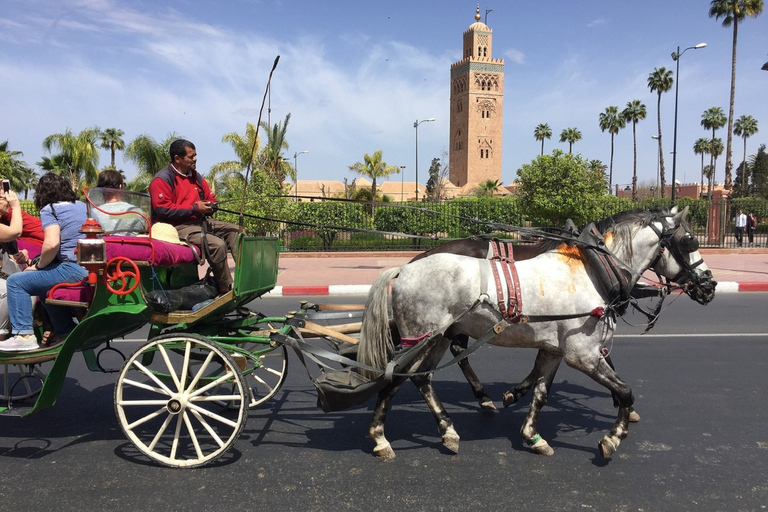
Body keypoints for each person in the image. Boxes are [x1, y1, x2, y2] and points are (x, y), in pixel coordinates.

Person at [0, 174, 88, 352]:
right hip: (90, 268)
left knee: (16, 282)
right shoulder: (83, 206)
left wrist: (38, 266)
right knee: (44, 288)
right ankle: (65, 332)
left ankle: (24, 335)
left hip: (72, 268)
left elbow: (52, 243)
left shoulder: (51, 209)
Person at [149, 139, 239, 296]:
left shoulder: (196, 177)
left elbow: (211, 198)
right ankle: (225, 288)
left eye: (195, 155)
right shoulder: (162, 180)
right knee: (217, 245)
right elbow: (163, 210)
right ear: (178, 159)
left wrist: (211, 206)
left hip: (200, 221)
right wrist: (195, 208)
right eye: (191, 157)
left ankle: (245, 277)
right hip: (175, 227)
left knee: (236, 231)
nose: (195, 159)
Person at [92, 169, 147, 236]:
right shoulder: (137, 212)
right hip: (128, 246)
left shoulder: (93, 214)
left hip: (103, 246)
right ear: (121, 187)